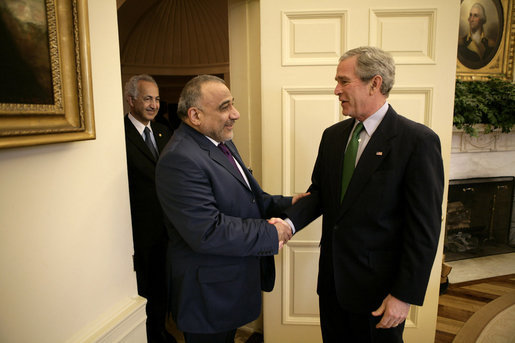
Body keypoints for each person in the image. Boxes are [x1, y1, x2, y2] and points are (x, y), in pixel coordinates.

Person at [278, 47, 444, 342]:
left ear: (375, 83)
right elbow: (320, 195)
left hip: (379, 294)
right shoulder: (333, 136)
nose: (336, 90)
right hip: (332, 285)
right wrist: (286, 224)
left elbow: (424, 229)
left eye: (344, 81)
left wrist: (404, 295)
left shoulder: (417, 141)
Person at [155, 75, 304, 343]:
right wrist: (273, 233)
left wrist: (287, 202)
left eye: (232, 104)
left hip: (227, 288)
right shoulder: (179, 159)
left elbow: (246, 198)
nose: (235, 114)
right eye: (225, 107)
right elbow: (207, 231)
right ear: (195, 115)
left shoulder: (219, 140)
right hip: (207, 299)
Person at [123, 74, 177, 343]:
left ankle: (161, 332)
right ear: (131, 100)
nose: (154, 105)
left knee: (163, 287)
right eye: (147, 98)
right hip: (139, 232)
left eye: (156, 99)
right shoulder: (118, 135)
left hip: (167, 229)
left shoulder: (163, 131)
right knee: (145, 289)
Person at [458, 2, 496, 69]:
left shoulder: (490, 44)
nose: (471, 19)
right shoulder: (461, 42)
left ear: (482, 19)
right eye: (470, 15)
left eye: (475, 16)